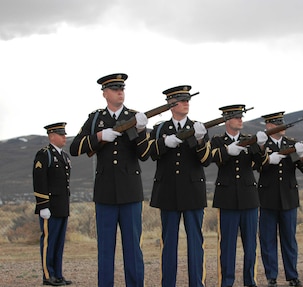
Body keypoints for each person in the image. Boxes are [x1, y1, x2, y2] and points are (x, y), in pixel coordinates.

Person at [69, 73, 148, 287]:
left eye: (122, 88)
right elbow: (75, 147)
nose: (120, 91)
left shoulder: (135, 117)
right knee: (105, 249)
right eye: (114, 88)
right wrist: (99, 137)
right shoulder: (96, 119)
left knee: (133, 248)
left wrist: (140, 131)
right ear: (105, 93)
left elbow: (144, 154)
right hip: (105, 193)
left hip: (130, 191)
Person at [145, 85, 212, 287]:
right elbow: (151, 154)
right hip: (168, 192)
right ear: (171, 105)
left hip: (192, 191)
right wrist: (166, 143)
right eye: (181, 100)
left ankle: (196, 284)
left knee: (195, 243)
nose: (186, 103)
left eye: (187, 100)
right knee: (169, 244)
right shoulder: (159, 129)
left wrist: (200, 140)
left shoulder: (198, 127)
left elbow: (206, 160)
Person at [210, 104, 268, 287]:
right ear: (227, 120)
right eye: (236, 117)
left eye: (241, 116)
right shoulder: (218, 140)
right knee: (227, 246)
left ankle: (250, 281)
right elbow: (213, 158)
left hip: (249, 197)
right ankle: (227, 282)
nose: (240, 119)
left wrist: (260, 146)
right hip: (227, 198)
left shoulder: (248, 140)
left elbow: (262, 164)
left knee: (250, 245)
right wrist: (227, 151)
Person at [255, 112, 303, 287]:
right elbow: (256, 165)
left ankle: (292, 275)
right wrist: (266, 157)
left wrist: (302, 156)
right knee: (268, 239)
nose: (282, 126)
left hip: (288, 198)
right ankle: (271, 276)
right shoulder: (262, 145)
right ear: (270, 126)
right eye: (278, 123)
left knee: (289, 240)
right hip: (267, 198)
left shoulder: (292, 144)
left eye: (282, 122)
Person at [33, 122, 72, 286]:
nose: (64, 137)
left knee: (59, 243)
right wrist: (43, 205)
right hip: (49, 207)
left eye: (64, 134)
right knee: (49, 242)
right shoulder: (44, 154)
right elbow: (39, 181)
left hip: (62, 206)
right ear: (51, 136)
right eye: (61, 134)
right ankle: (48, 275)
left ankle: (58, 274)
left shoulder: (64, 156)